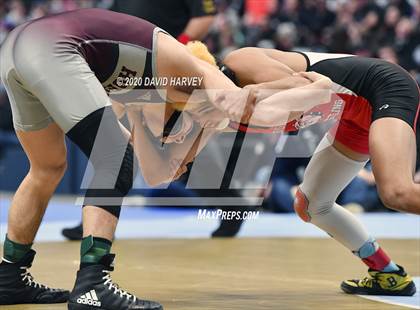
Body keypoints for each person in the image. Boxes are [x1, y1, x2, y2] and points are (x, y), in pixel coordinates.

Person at [0, 8, 240, 309]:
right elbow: (233, 102)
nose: (176, 136)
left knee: (47, 167)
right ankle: (93, 284)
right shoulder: (188, 69)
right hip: (52, 49)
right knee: (114, 157)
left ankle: (9, 277)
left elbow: (147, 164)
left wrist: (174, 152)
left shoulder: (142, 83)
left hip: (17, 49)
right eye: (180, 127)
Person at [213, 46, 418, 296]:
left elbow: (311, 84)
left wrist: (255, 92)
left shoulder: (238, 63)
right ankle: (388, 274)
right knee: (310, 204)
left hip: (382, 87)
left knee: (398, 193)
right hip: (351, 115)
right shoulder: (212, 117)